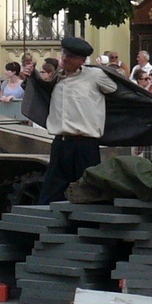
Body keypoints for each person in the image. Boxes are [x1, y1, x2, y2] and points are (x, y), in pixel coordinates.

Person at [21, 37, 117, 204]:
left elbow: (122, 93)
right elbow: (42, 90)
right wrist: (32, 77)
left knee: (89, 196)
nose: (65, 58)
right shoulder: (57, 77)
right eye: (64, 54)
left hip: (85, 146)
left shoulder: (95, 75)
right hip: (61, 144)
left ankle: (87, 228)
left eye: (71, 56)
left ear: (82, 60)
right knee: (49, 196)